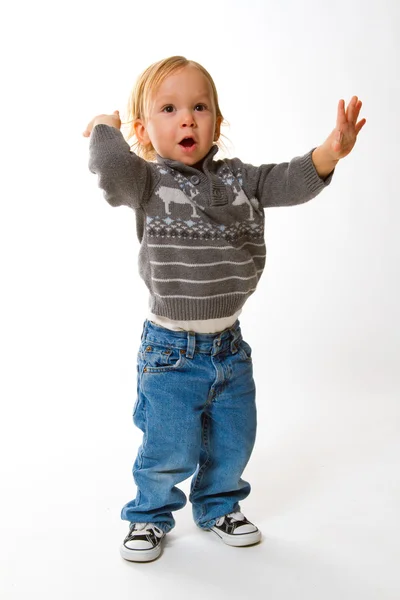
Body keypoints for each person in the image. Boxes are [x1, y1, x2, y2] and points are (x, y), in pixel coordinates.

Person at [83, 56, 365, 562]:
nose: (187, 118)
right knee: (168, 444)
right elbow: (110, 168)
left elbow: (289, 181)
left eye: (199, 106)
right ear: (145, 131)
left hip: (230, 346)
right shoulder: (147, 183)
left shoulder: (241, 180)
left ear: (217, 121)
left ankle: (218, 505)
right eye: (169, 109)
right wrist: (107, 127)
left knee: (234, 437)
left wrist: (331, 152)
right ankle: (149, 514)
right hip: (170, 350)